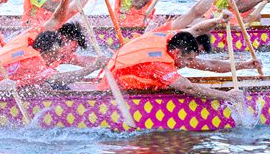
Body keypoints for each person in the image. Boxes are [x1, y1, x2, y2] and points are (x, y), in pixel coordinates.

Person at [0, 0, 107, 88]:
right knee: (58, 86)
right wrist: (92, 68)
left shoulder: (51, 47)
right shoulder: (36, 49)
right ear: (63, 39)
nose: (73, 53)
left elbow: (73, 10)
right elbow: (59, 79)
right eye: (73, 49)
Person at [102, 29, 243, 101]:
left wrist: (243, 65)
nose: (189, 64)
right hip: (115, 90)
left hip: (114, 79)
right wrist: (227, 96)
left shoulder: (167, 41)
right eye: (187, 60)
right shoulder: (160, 63)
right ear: (176, 52)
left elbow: (208, 64)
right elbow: (188, 88)